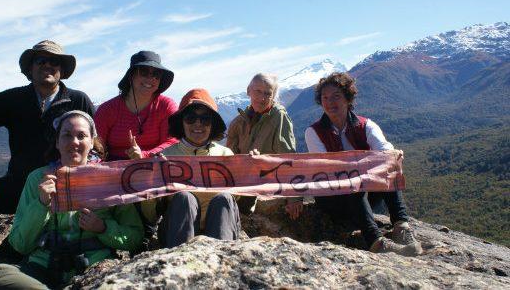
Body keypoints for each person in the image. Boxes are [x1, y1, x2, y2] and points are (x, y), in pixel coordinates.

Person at [0, 40, 95, 288]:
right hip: (20, 188)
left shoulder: (78, 101)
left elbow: (94, 143)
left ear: (62, 69)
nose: (48, 65)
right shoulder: (14, 100)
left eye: (54, 61)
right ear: (31, 67)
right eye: (41, 60)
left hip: (68, 190)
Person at [0, 111, 143, 289]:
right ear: (57, 142)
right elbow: (19, 244)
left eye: (81, 136)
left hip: (94, 268)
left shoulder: (110, 179)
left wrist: (103, 228)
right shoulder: (37, 178)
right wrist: (42, 205)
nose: (74, 142)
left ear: (91, 142)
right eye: (66, 135)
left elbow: (135, 237)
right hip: (43, 268)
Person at [304, 72, 422, 256]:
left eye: (336, 96)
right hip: (333, 198)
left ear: (348, 98)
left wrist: (392, 154)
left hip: (364, 195)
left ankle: (401, 227)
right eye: (325, 97)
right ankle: (375, 241)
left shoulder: (366, 126)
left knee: (388, 166)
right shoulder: (313, 133)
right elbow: (329, 168)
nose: (329, 102)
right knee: (351, 181)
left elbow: (383, 148)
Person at [141, 89, 239, 248]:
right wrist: (150, 185)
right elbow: (150, 214)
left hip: (222, 228)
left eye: (205, 119)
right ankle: (180, 259)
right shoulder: (165, 157)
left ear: (212, 124)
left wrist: (252, 171)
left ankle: (222, 257)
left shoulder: (226, 155)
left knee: (224, 199)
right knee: (184, 198)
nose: (198, 124)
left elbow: (241, 203)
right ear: (181, 122)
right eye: (191, 118)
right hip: (176, 232)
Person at [226, 73, 301, 219]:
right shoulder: (238, 122)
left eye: (267, 93)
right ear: (248, 91)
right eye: (258, 91)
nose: (262, 98)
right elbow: (230, 159)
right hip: (243, 183)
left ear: (273, 96)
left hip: (267, 183)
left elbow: (287, 156)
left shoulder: (278, 117)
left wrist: (294, 197)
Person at [94, 50, 178, 161]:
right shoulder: (107, 110)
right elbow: (96, 147)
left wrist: (144, 155)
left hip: (156, 168)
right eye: (144, 72)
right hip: (113, 171)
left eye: (156, 74)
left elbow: (171, 142)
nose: (150, 78)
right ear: (131, 76)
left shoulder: (166, 106)